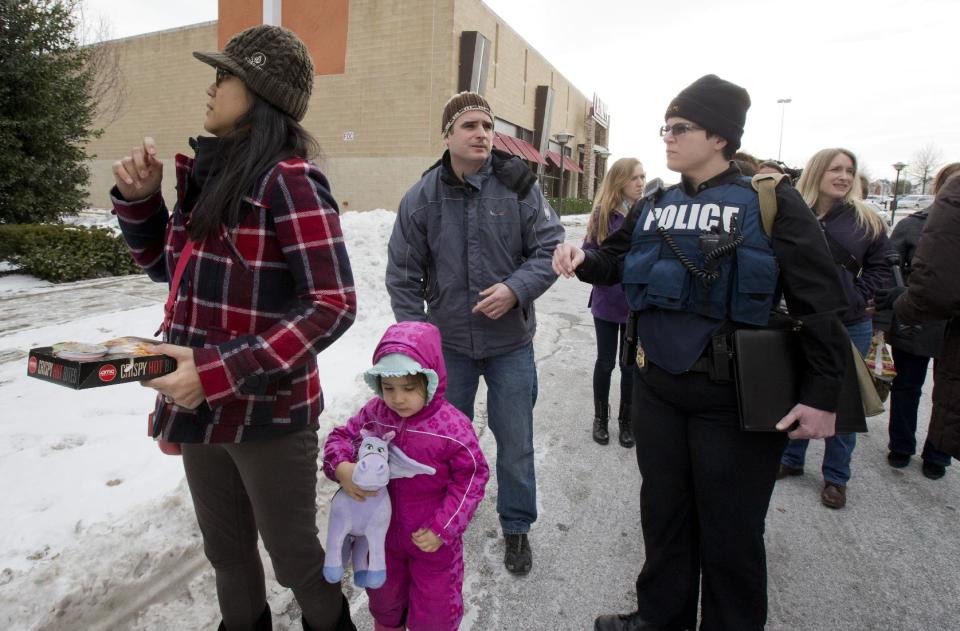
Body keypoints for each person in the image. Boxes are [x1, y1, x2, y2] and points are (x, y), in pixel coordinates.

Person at [552, 74, 849, 631]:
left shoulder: (770, 200)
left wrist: (822, 394)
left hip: (733, 399)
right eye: (665, 125)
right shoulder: (656, 202)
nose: (667, 137)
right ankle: (659, 618)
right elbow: (614, 259)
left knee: (731, 535)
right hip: (658, 389)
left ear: (719, 136)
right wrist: (581, 259)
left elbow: (821, 301)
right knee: (663, 517)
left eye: (680, 127)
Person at [110, 25, 357, 631]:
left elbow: (333, 302)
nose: (212, 86)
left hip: (268, 413)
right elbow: (172, 274)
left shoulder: (289, 179)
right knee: (226, 553)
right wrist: (142, 204)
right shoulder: (211, 174)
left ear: (260, 91)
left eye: (225, 75)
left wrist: (217, 372)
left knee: (295, 557)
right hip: (199, 408)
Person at [386, 91, 564, 576]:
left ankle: (517, 526)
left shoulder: (518, 187)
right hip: (451, 351)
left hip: (510, 345)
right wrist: (419, 340)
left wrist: (515, 289)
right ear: (448, 135)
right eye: (470, 125)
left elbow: (550, 248)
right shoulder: (421, 198)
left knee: (516, 439)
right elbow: (403, 275)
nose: (482, 133)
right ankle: (447, 521)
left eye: (487, 125)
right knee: (446, 442)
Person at [323, 321, 489, 631]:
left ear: (431, 380)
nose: (398, 399)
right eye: (389, 388)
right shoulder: (375, 414)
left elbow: (472, 477)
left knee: (435, 611)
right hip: (382, 539)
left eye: (409, 388)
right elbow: (341, 437)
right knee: (386, 604)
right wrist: (341, 467)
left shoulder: (451, 428)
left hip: (432, 541)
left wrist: (444, 527)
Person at [777, 148, 891, 509]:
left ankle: (836, 477)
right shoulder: (795, 214)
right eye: (835, 169)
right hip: (803, 322)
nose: (843, 176)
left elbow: (881, 268)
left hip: (850, 324)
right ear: (816, 173)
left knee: (843, 403)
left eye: (849, 170)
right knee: (800, 391)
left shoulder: (866, 220)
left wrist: (856, 299)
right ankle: (792, 460)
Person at [877, 162, 960, 477]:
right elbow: (887, 275)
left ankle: (938, 454)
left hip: (951, 329)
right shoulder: (912, 225)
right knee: (907, 386)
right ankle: (900, 445)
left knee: (948, 390)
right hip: (915, 322)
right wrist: (885, 322)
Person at [583, 158, 645, 447]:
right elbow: (589, 253)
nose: (641, 183)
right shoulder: (603, 215)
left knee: (630, 365)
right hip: (607, 302)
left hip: (636, 305)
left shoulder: (648, 214)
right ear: (620, 181)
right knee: (605, 362)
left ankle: (627, 422)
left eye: (643, 177)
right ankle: (600, 419)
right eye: (635, 178)